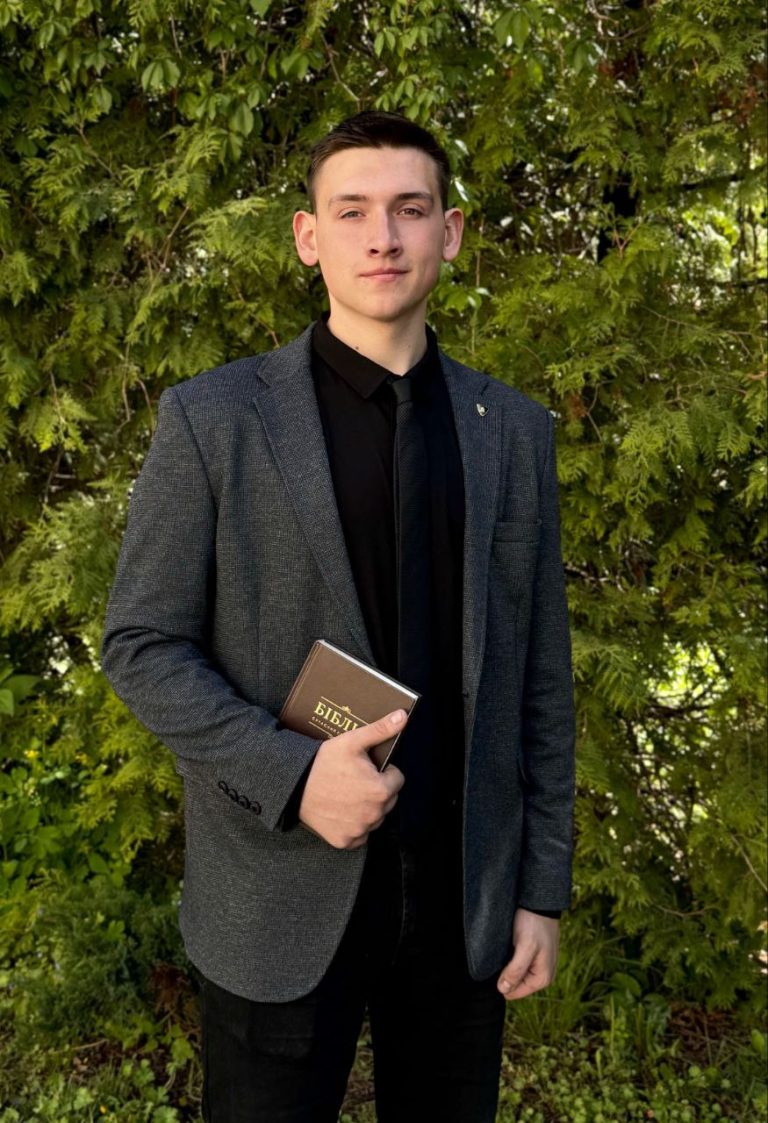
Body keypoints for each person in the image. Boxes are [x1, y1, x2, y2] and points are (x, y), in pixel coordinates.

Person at [100, 110, 576, 1123]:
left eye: (410, 209)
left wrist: (541, 889)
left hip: (462, 905)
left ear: (450, 232)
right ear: (308, 237)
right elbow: (141, 645)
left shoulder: (513, 431)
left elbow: (540, 673)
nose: (382, 237)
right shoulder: (214, 418)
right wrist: (294, 775)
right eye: (352, 211)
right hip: (274, 895)